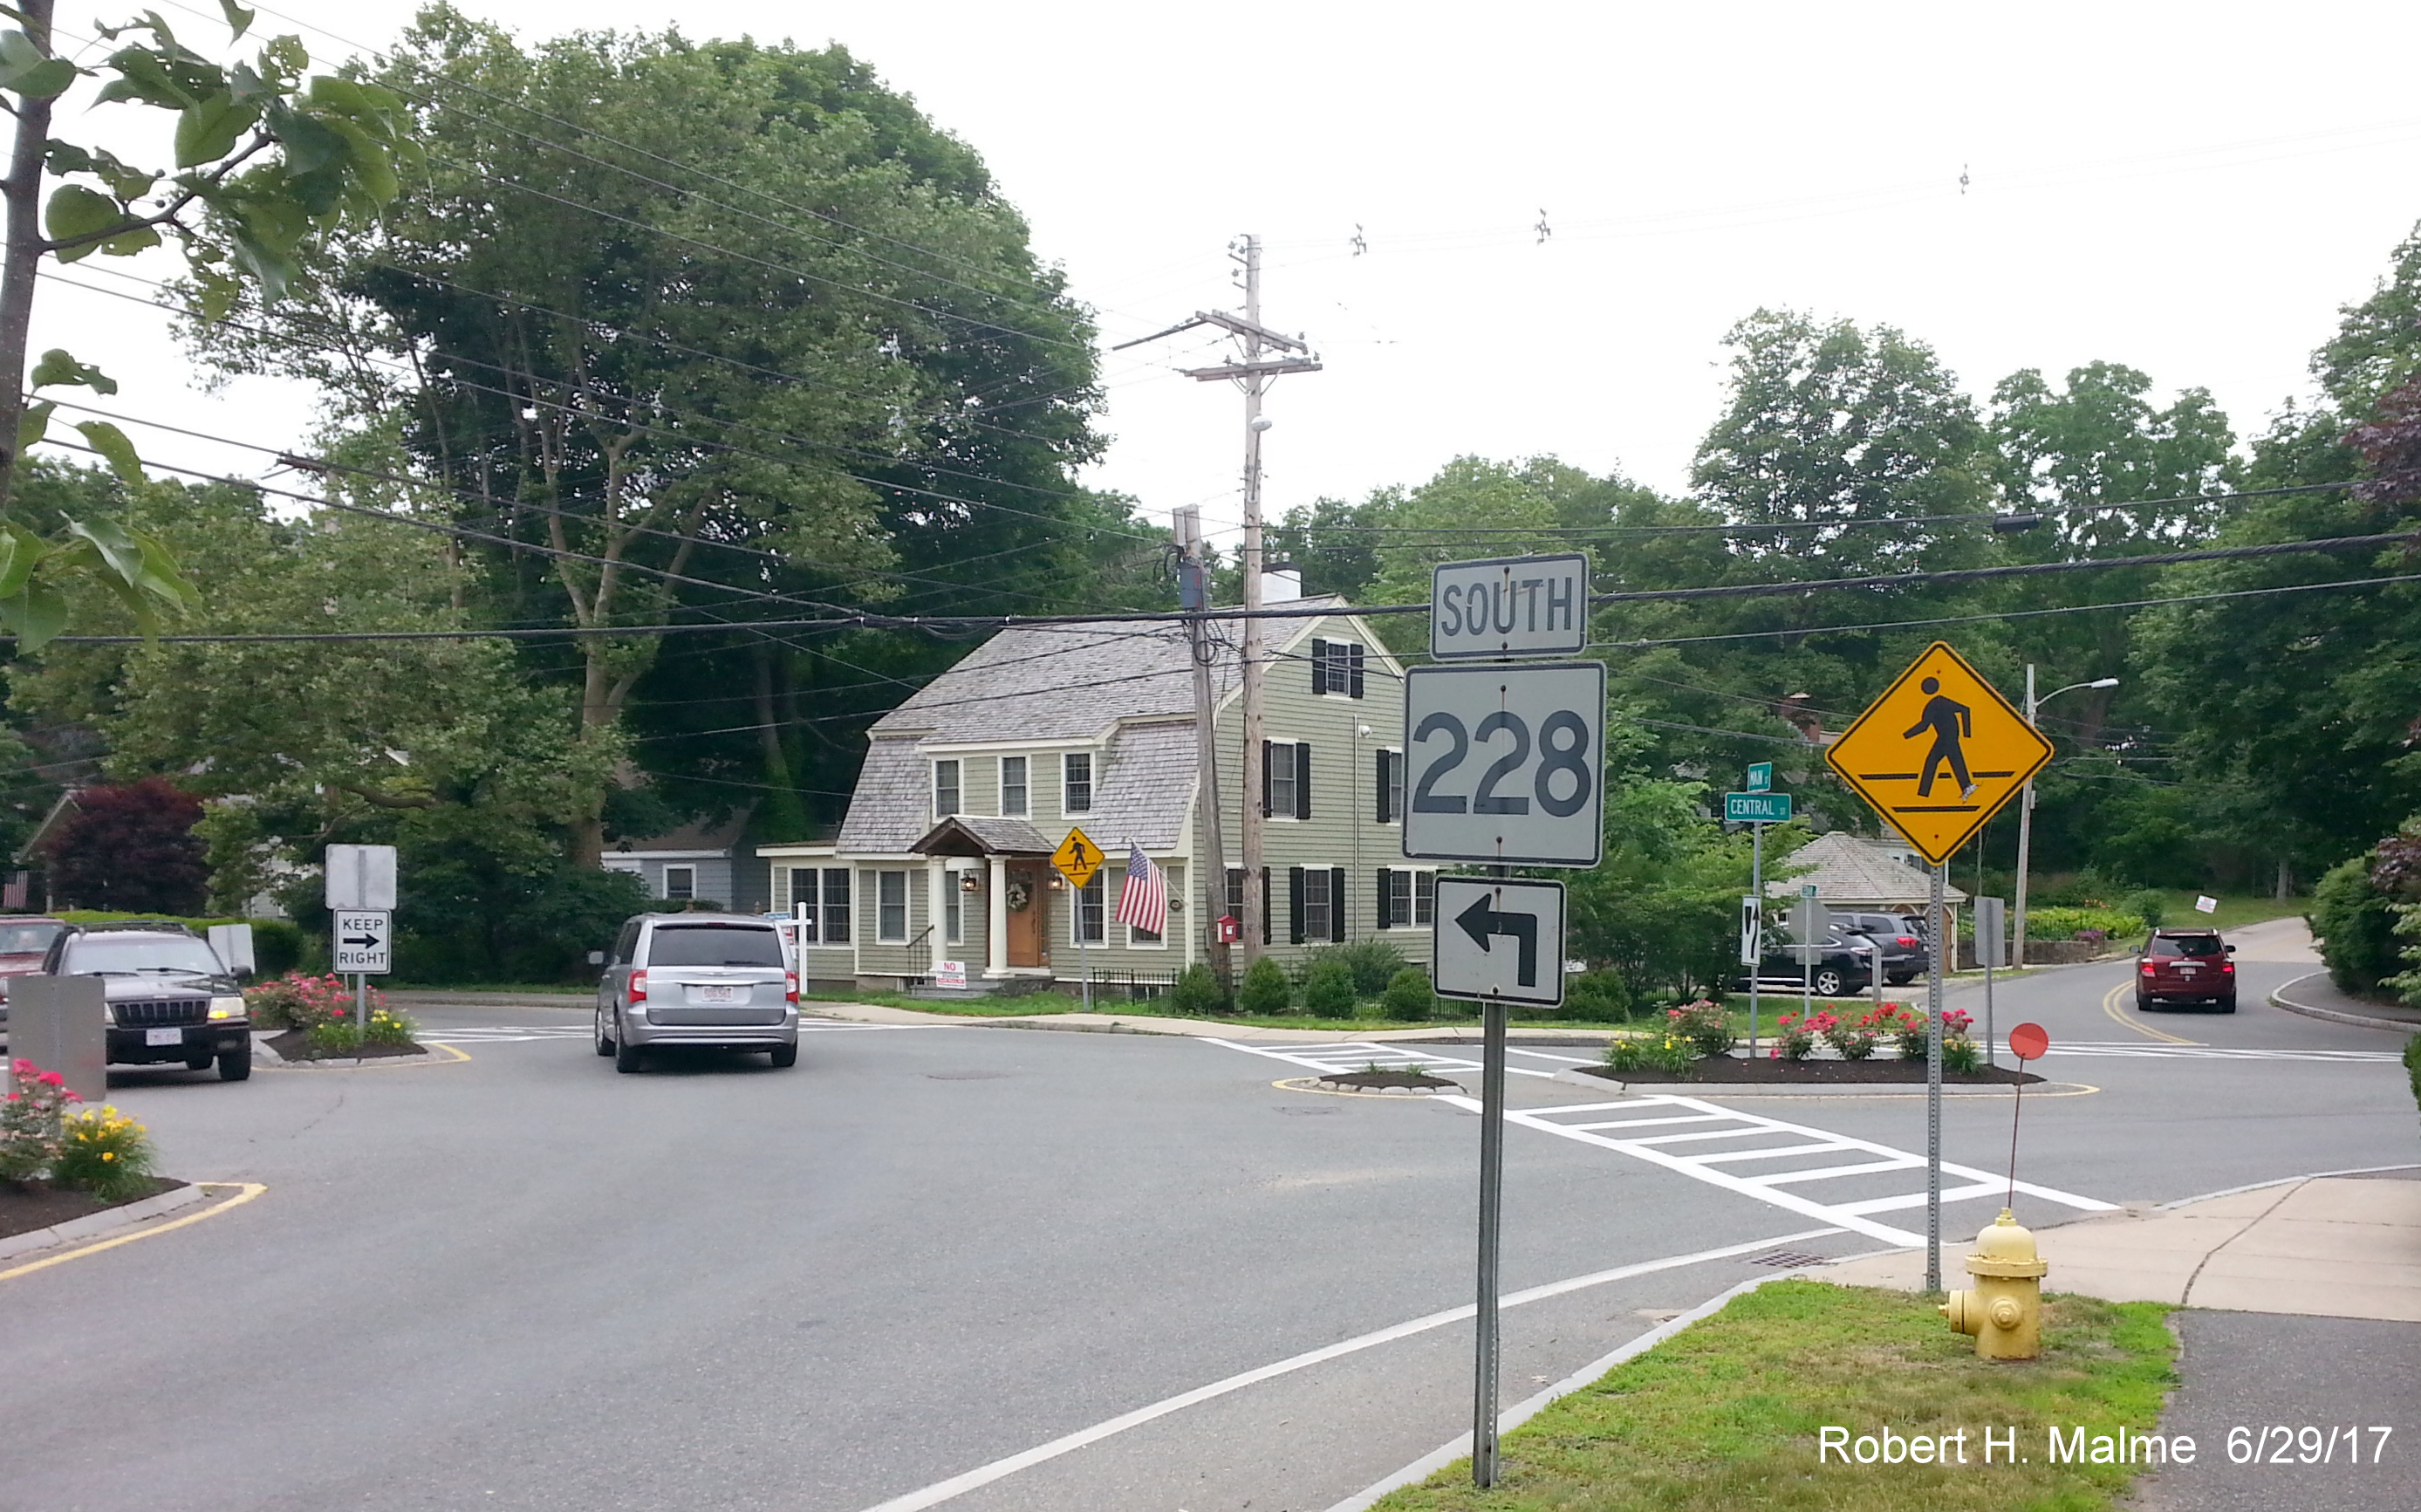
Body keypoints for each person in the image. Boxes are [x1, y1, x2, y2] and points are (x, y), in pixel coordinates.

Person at [1903, 675, 1976, 799]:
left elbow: (1924, 726)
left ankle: (1924, 793)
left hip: (1947, 738)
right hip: (1947, 737)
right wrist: (1965, 733)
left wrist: (1906, 735)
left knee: (1940, 761)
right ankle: (1924, 793)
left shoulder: (1934, 704)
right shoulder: (1940, 701)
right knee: (1942, 761)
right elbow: (1965, 710)